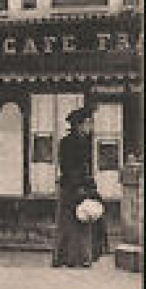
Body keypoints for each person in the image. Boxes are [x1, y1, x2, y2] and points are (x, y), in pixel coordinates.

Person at [53, 107, 108, 268]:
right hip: (72, 187)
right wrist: (80, 187)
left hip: (80, 185)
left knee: (82, 222)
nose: (90, 126)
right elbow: (69, 167)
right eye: (88, 123)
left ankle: (77, 257)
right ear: (79, 125)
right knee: (71, 222)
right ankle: (71, 258)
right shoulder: (68, 142)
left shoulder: (83, 141)